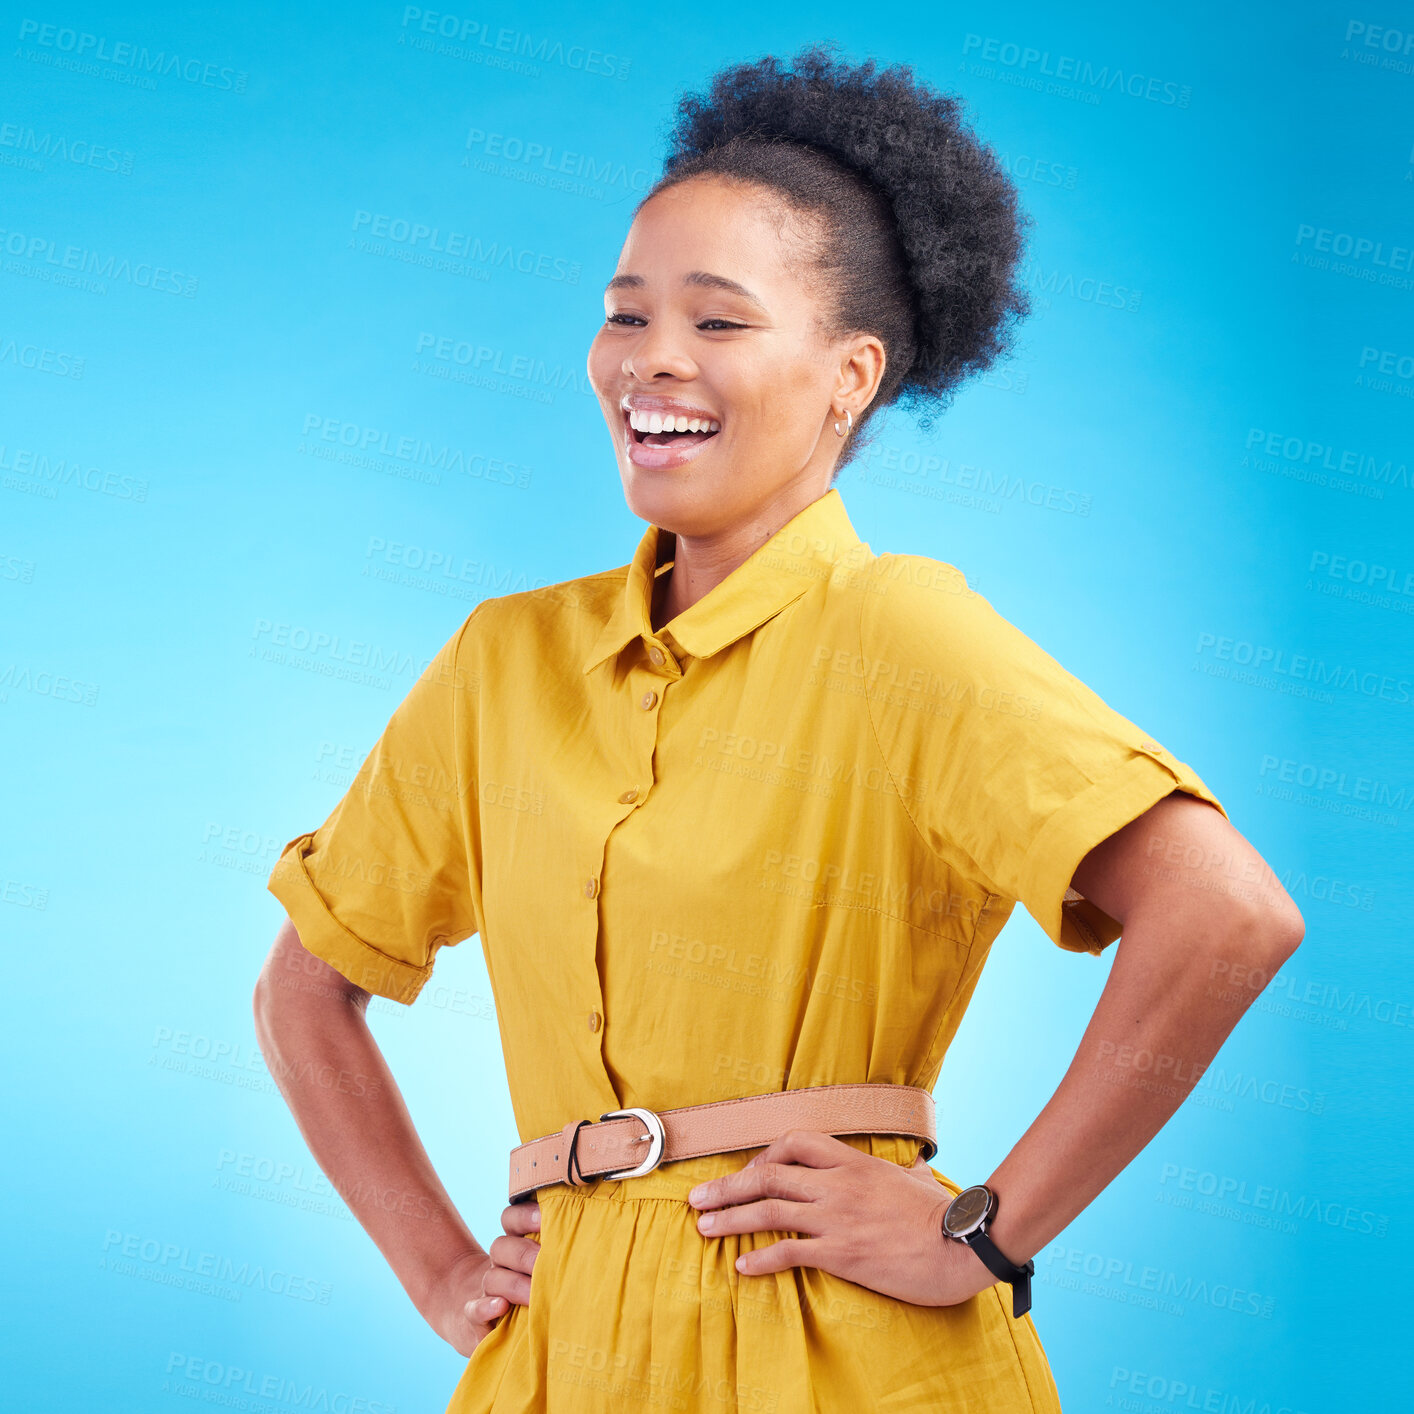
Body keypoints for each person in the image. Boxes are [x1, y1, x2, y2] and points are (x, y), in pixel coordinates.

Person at [254, 45, 1305, 1414]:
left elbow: (1227, 912)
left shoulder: (902, 638)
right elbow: (302, 989)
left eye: (720, 321)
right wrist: (438, 1268)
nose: (653, 361)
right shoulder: (500, 663)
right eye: (625, 314)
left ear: (848, 375)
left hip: (834, 1344)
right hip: (561, 1350)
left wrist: (982, 1230)